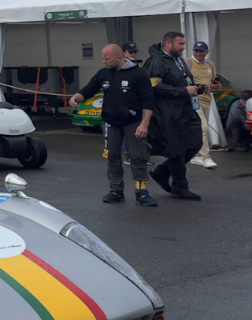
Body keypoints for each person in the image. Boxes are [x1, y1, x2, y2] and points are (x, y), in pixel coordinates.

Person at [70, 44, 156, 206]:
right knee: (112, 156)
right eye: (103, 58)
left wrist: (144, 124)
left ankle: (141, 191)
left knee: (138, 156)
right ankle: (116, 190)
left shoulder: (138, 74)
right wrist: (76, 97)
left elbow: (148, 100)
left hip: (134, 121)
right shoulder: (103, 74)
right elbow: (89, 89)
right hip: (111, 122)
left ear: (119, 57)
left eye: (107, 58)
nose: (104, 62)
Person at [144, 31, 203, 201]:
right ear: (168, 44)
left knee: (195, 143)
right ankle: (179, 187)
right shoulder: (156, 61)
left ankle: (161, 172)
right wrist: (183, 91)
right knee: (177, 149)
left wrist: (197, 87)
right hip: (166, 112)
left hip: (184, 109)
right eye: (181, 44)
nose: (184, 48)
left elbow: (181, 81)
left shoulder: (178, 60)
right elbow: (153, 87)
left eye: (184, 44)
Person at [187, 41, 221, 169]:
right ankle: (206, 156)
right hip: (193, 99)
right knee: (203, 127)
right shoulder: (187, 63)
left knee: (199, 129)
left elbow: (213, 81)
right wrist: (196, 86)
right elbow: (181, 80)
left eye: (201, 51)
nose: (198, 53)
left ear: (206, 52)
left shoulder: (210, 64)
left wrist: (217, 85)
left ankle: (195, 156)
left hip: (207, 100)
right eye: (196, 50)